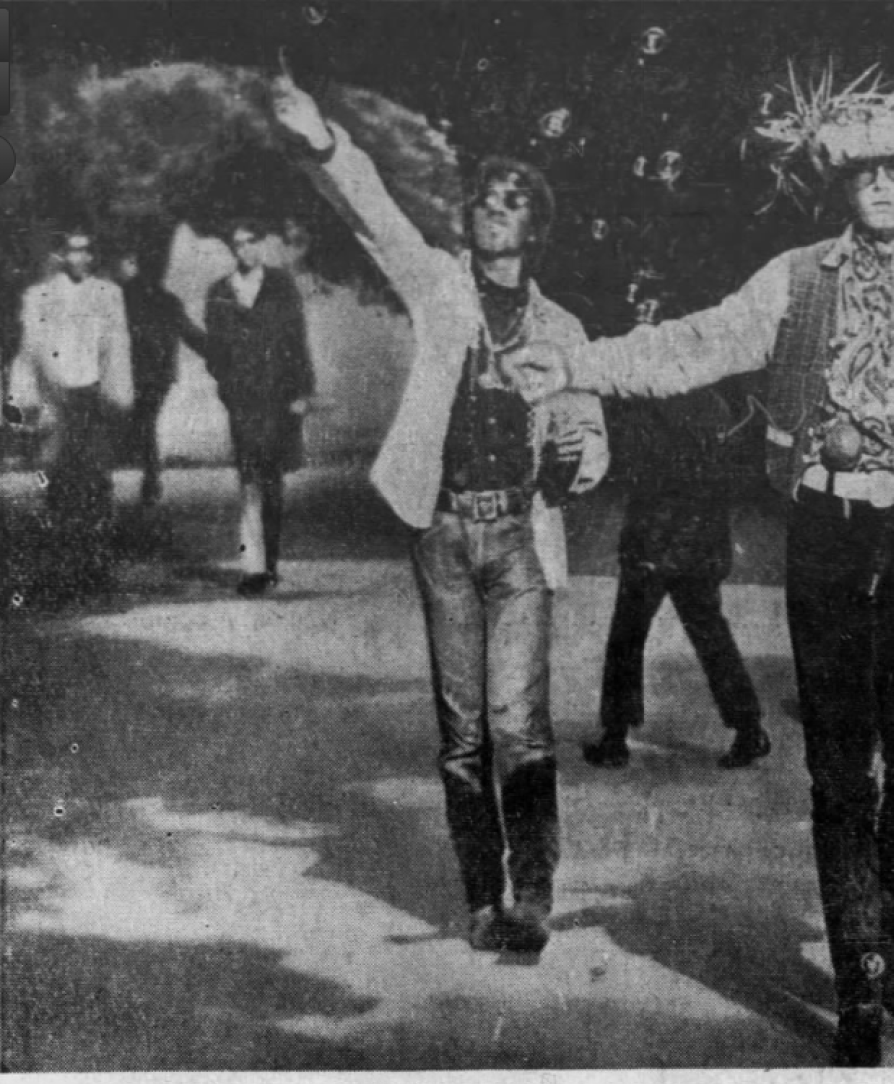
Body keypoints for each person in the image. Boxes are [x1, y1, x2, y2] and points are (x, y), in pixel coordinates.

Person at [510, 71, 894, 1064]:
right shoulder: (797, 278)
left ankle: (888, 920)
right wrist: (578, 364)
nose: (879, 186)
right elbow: (694, 345)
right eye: (865, 170)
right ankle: (860, 989)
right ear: (846, 181)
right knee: (840, 772)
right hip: (826, 536)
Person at [272, 76, 609, 954]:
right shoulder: (439, 289)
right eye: (484, 201)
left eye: (512, 204)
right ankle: (480, 897)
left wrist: (577, 457)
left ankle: (532, 894)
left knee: (517, 725)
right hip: (445, 534)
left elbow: (592, 445)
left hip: (523, 539)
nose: (493, 213)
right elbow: (377, 212)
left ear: (535, 227)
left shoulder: (565, 327)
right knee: (461, 735)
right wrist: (322, 140)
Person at [583, 388, 770, 770]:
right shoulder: (719, 404)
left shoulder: (650, 404)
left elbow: (637, 470)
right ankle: (749, 729)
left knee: (627, 638)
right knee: (711, 634)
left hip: (653, 541)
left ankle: (616, 737)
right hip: (700, 544)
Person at [9, 230, 133, 591]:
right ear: (63, 255)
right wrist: (30, 399)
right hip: (55, 398)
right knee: (58, 482)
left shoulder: (108, 294)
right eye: (74, 251)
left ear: (94, 256)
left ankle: (96, 568)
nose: (81, 258)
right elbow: (29, 351)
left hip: (92, 398)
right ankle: (63, 571)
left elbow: (118, 347)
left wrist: (119, 396)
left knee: (96, 481)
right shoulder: (40, 296)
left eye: (87, 251)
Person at [203, 219, 315, 596]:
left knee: (273, 482)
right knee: (249, 479)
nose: (245, 249)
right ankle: (253, 567)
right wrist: (228, 386)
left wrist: (302, 391)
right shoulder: (220, 291)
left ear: (262, 244)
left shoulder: (281, 286)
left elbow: (297, 338)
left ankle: (270, 564)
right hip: (244, 401)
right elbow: (215, 352)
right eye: (238, 243)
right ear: (231, 248)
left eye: (251, 241)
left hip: (280, 398)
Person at [115, 247, 208, 506]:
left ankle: (151, 479)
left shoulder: (130, 296)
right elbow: (193, 335)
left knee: (144, 422)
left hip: (146, 375)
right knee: (144, 423)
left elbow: (191, 335)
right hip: (151, 374)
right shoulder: (158, 299)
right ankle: (151, 478)